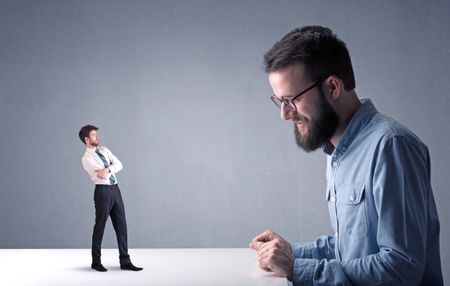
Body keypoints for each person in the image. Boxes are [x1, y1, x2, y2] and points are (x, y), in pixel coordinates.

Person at [249, 26, 443, 285]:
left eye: (290, 99)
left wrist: (298, 269)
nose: (284, 114)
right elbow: (351, 247)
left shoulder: (392, 147)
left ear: (332, 87)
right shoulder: (336, 152)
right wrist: (289, 252)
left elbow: (400, 268)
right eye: (279, 101)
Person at [79, 124, 143, 272]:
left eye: (97, 134)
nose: (97, 137)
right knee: (100, 225)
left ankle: (125, 261)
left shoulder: (105, 150)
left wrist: (107, 169)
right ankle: (96, 261)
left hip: (115, 190)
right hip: (102, 191)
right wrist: (109, 168)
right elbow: (99, 175)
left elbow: (119, 165)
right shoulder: (86, 158)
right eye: (94, 135)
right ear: (87, 139)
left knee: (122, 225)